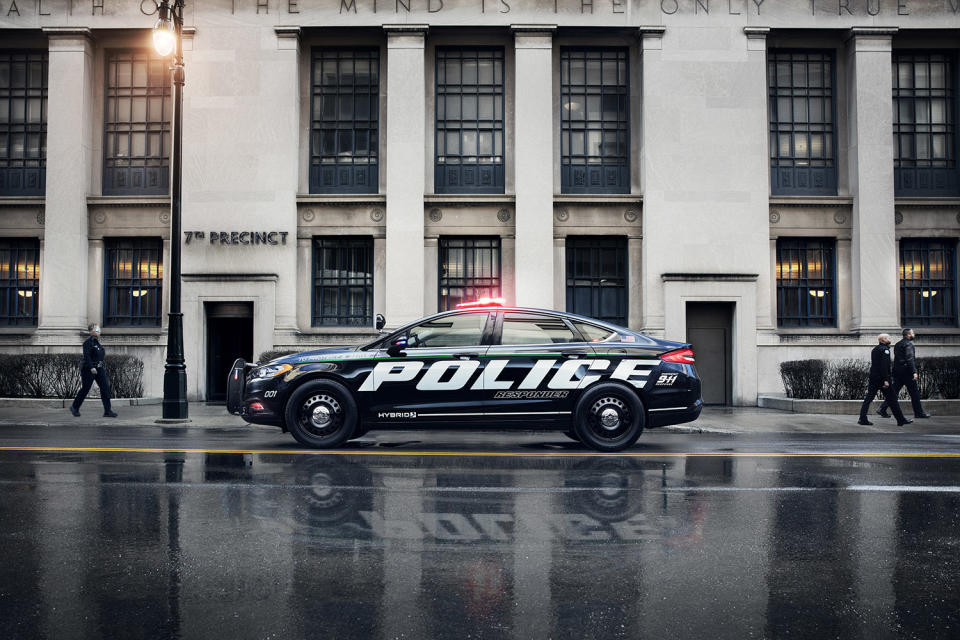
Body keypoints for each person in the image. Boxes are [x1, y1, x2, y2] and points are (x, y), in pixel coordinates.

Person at [877, 327, 931, 419]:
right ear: (908, 335)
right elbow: (910, 359)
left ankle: (882, 408)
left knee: (894, 392)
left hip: (898, 372)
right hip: (907, 372)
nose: (914, 335)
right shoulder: (909, 344)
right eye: (912, 333)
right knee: (914, 393)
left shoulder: (898, 344)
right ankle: (918, 413)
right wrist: (914, 372)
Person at [858, 333, 911, 427]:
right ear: (882, 340)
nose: (889, 339)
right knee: (893, 399)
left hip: (874, 378)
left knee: (868, 398)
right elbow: (884, 366)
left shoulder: (875, 349)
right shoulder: (885, 350)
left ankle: (862, 419)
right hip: (882, 379)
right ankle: (901, 420)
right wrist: (886, 380)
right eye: (887, 338)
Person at [69, 323, 118, 418]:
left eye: (99, 329)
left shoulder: (97, 342)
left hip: (99, 368)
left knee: (105, 388)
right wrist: (91, 367)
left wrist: (100, 366)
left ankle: (107, 411)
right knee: (85, 388)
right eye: (96, 329)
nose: (99, 331)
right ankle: (74, 407)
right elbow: (86, 356)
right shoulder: (88, 343)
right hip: (89, 369)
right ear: (91, 331)